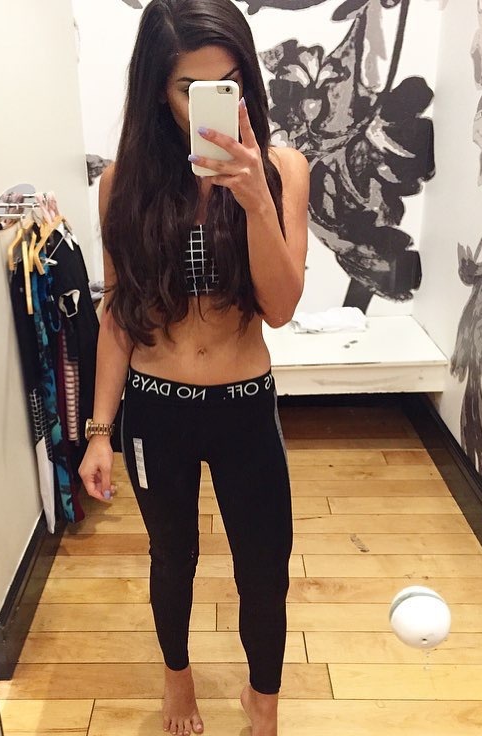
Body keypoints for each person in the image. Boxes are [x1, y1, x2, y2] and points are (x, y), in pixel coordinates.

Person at [78, 1, 309, 734]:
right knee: (171, 556)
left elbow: (281, 308)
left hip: (244, 403)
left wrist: (257, 202)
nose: (215, 104)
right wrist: (99, 430)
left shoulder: (283, 171)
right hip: (157, 407)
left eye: (230, 83)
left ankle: (263, 700)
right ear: (158, 89)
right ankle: (177, 678)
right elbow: (118, 313)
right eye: (192, 89)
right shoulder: (123, 184)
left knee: (264, 564)